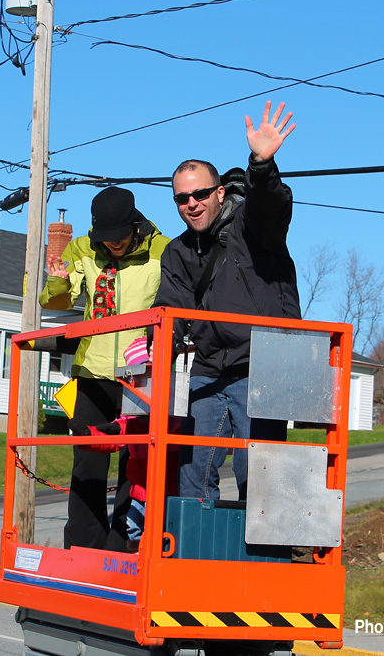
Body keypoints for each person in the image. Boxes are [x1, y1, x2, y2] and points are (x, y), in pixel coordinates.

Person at [154, 100, 300, 501]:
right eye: (182, 198)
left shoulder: (253, 228)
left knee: (259, 474)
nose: (192, 204)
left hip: (263, 365)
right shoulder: (177, 253)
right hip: (208, 372)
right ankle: (194, 556)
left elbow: (272, 206)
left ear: (220, 193)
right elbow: (169, 315)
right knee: (190, 469)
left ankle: (266, 562)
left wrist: (262, 164)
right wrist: (150, 366)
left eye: (200, 193)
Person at [39, 186, 170, 551]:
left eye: (120, 236)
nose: (113, 244)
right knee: (87, 464)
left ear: (135, 225)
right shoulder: (82, 248)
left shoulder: (164, 250)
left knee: (135, 462)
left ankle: (122, 546)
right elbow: (55, 302)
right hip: (92, 371)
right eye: (105, 238)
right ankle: (83, 546)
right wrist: (59, 281)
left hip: (140, 372)